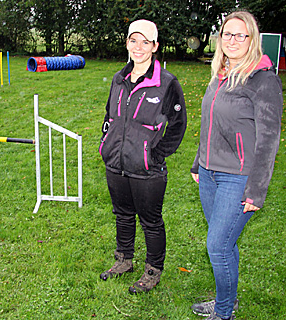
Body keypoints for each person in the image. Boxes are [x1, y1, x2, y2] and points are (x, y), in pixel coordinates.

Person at [190, 11, 283, 320]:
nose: (231, 40)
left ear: (252, 40)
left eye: (239, 35)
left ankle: (224, 311)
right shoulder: (221, 72)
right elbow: (210, 122)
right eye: (226, 34)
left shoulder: (263, 80)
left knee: (217, 246)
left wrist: (256, 190)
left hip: (238, 178)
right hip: (208, 173)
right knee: (225, 244)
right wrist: (197, 162)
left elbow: (268, 140)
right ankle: (224, 301)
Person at [99, 19, 187, 294]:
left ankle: (152, 271)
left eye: (145, 42)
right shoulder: (118, 78)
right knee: (122, 215)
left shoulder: (167, 83)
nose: (138, 47)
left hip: (147, 169)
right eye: (133, 40)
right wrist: (106, 143)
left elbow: (178, 125)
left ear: (155, 46)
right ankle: (124, 260)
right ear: (127, 43)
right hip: (116, 163)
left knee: (151, 221)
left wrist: (155, 155)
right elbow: (109, 116)